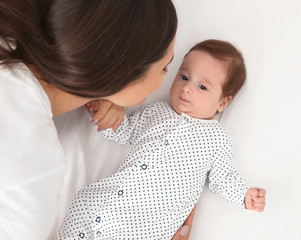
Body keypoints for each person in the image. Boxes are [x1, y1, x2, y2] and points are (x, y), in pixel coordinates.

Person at [0, 1, 191, 239]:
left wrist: (102, 90)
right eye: (165, 67)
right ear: (121, 77)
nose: (167, 77)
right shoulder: (35, 168)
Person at [57, 40, 267, 240]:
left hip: (144, 227)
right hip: (100, 202)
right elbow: (127, 131)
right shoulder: (157, 111)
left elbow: (223, 177)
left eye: (202, 87)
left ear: (223, 101)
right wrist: (104, 116)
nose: (187, 88)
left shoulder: (217, 139)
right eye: (184, 77)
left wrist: (244, 194)